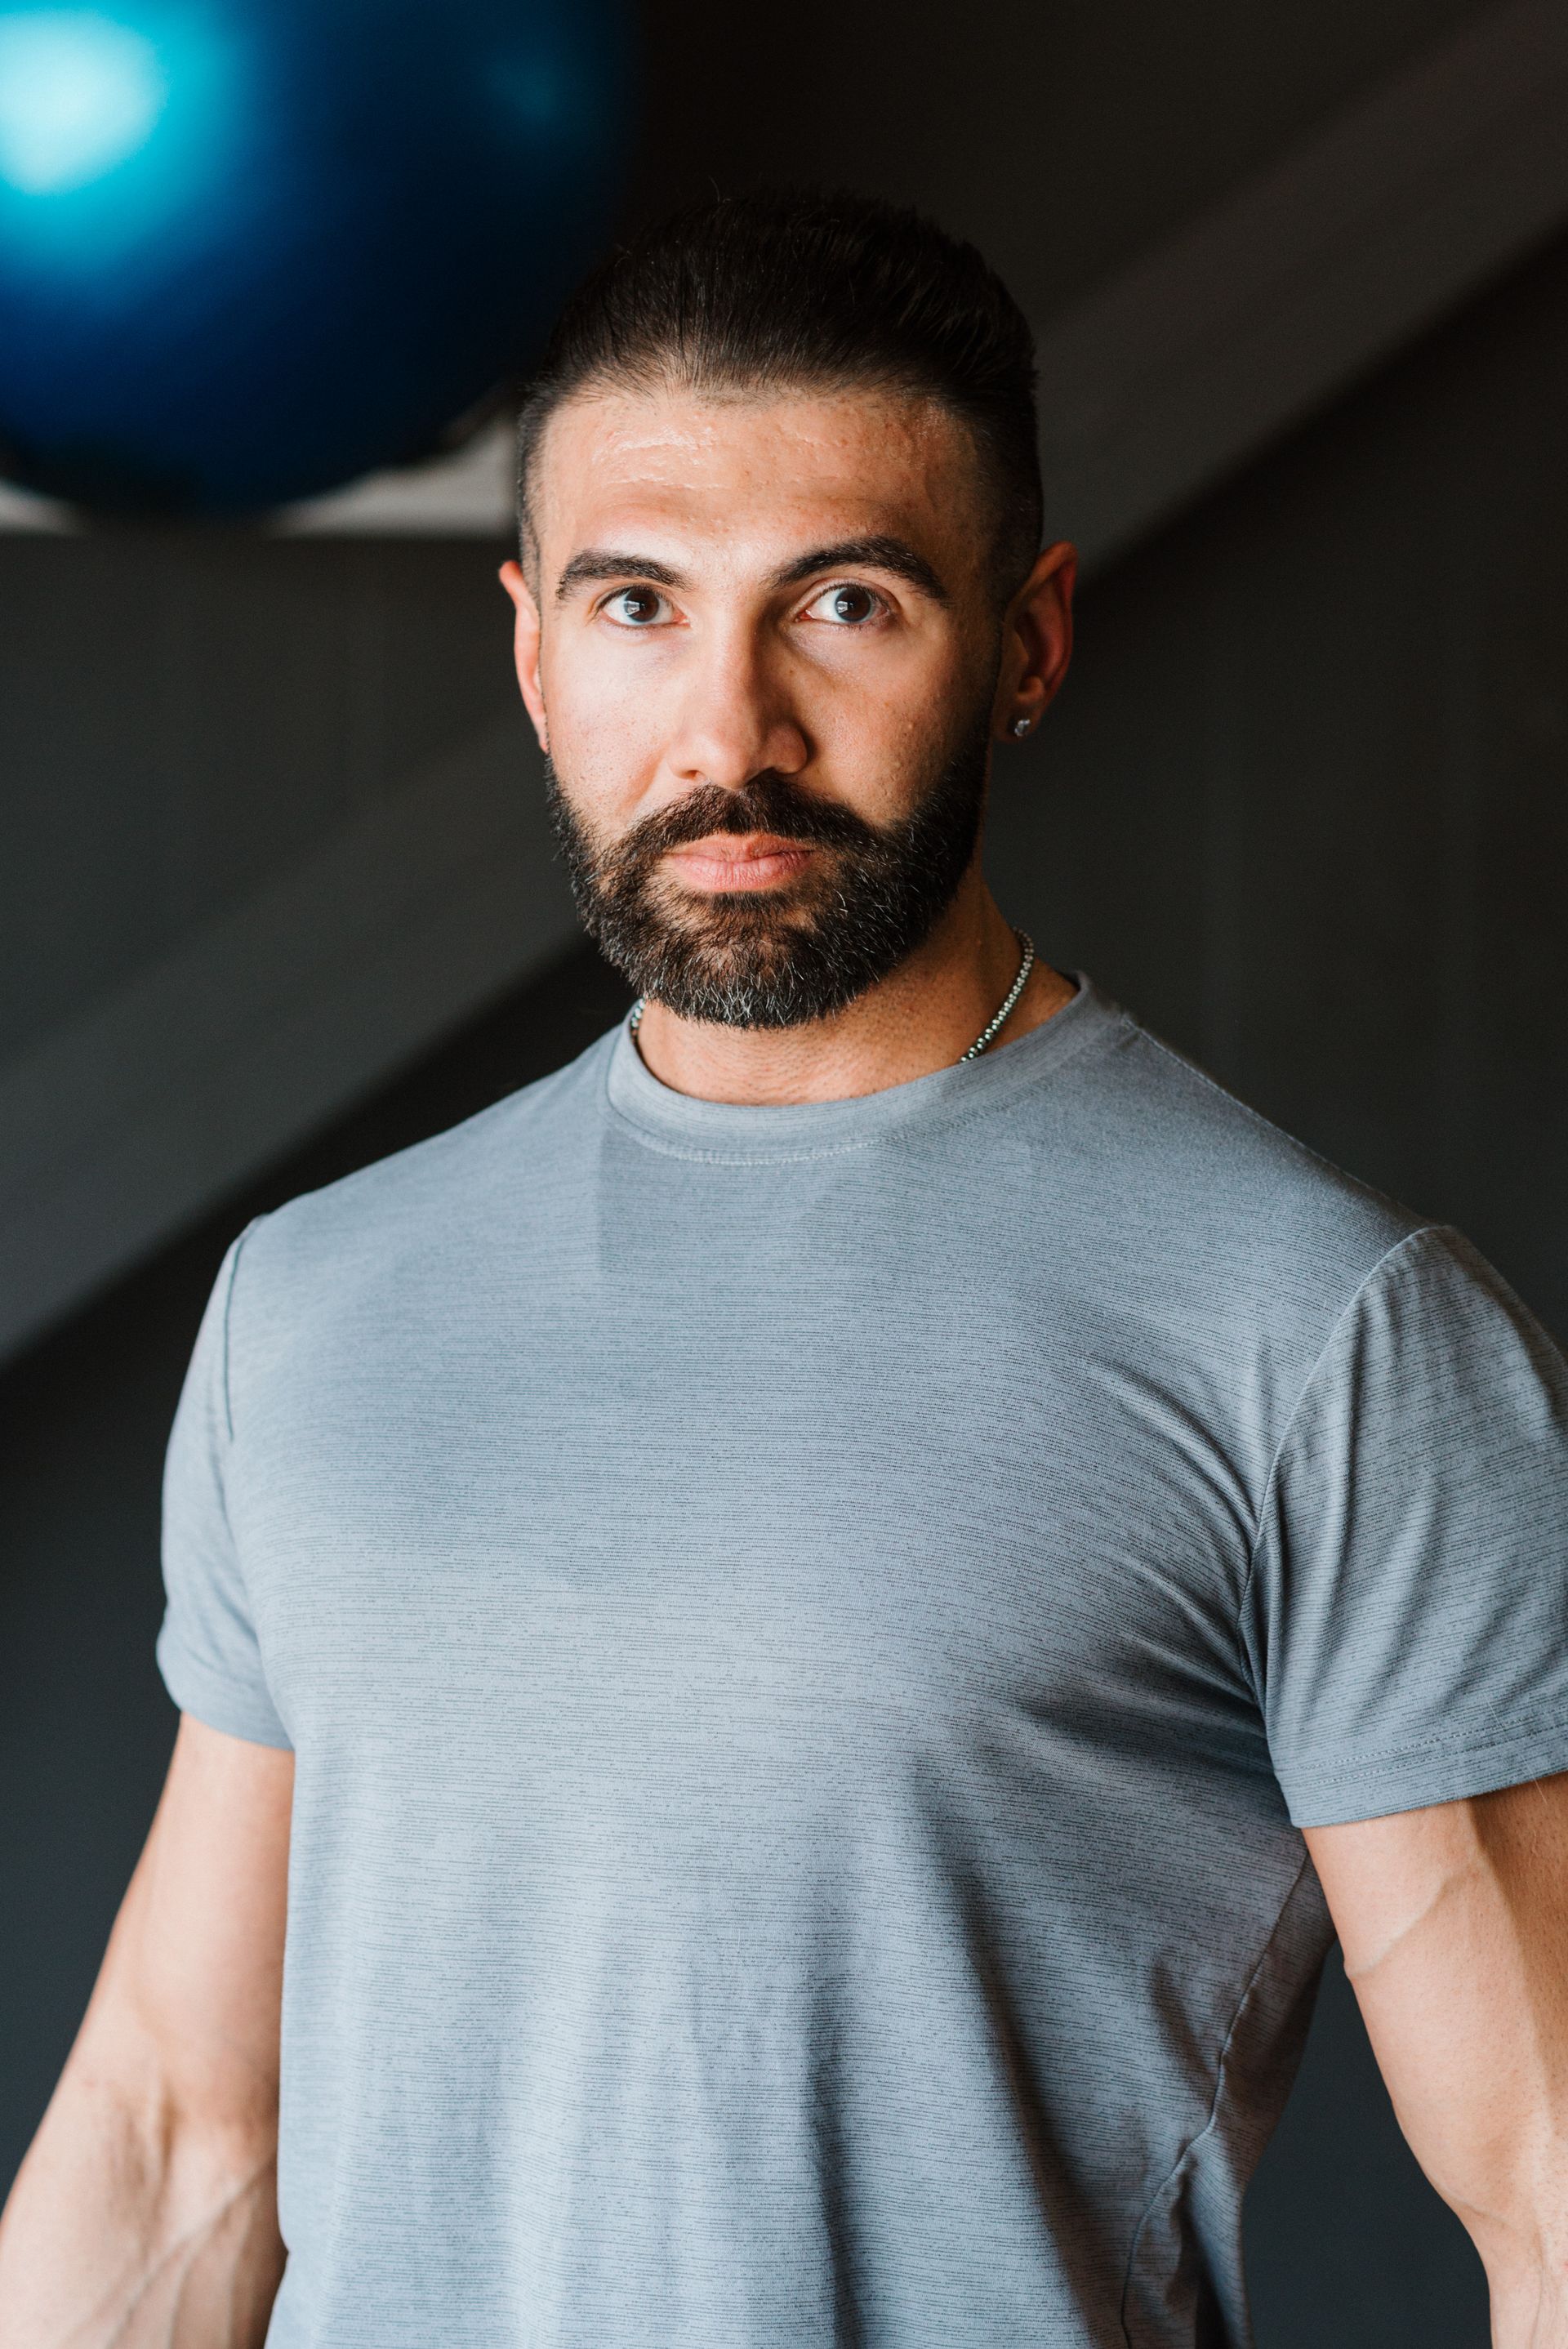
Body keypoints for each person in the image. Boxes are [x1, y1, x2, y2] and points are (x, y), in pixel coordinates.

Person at [2, 187, 1566, 2349]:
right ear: (537, 647)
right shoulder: (312, 1305)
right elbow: (181, 2134)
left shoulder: (1329, 1337)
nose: (729, 728)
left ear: (1028, 637)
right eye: (641, 603)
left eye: (842, 601)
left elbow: (1556, 2196)